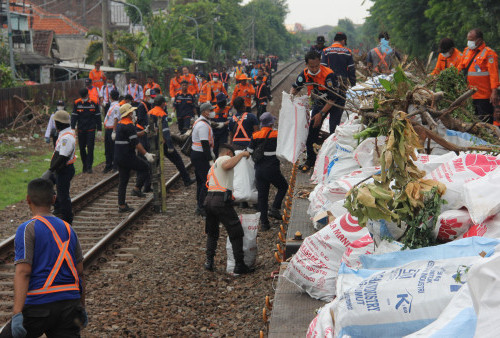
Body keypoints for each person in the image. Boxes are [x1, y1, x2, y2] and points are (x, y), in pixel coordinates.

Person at [0, 178, 87, 338]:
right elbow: (80, 272)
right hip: (70, 305)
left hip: (39, 305)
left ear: (28, 200)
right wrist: (81, 306)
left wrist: (17, 313)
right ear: (54, 199)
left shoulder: (27, 229)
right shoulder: (69, 230)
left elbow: (23, 272)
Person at [203, 144, 255, 274]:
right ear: (227, 153)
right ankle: (239, 264)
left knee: (212, 232)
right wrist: (242, 154)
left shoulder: (212, 168)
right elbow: (227, 165)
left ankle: (209, 262)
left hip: (209, 200)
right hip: (220, 201)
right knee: (236, 231)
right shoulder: (222, 159)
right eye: (231, 156)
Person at [291, 51, 339, 172]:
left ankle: (335, 159)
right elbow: (295, 87)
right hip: (319, 102)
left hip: (335, 102)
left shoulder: (328, 75)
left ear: (320, 63)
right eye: (311, 66)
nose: (314, 69)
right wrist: (291, 97)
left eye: (316, 66)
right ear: (306, 64)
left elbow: (333, 98)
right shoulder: (304, 74)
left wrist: (321, 114)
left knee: (334, 130)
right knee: (312, 131)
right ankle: (310, 161)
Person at [248, 112, 288, 230]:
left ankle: (264, 223)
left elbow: (250, 150)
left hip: (259, 170)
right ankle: (275, 208)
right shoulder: (276, 134)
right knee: (283, 186)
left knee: (262, 196)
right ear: (271, 123)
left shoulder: (255, 135)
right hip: (272, 169)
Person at [114, 104, 155, 212]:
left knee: (123, 181)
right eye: (132, 112)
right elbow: (136, 142)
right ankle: (137, 189)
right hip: (128, 156)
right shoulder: (129, 125)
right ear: (128, 114)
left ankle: (121, 206)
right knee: (146, 167)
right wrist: (146, 154)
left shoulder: (120, 124)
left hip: (119, 156)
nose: (133, 114)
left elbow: (133, 135)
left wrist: (144, 132)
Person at [148, 95, 195, 187]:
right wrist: (170, 146)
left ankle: (146, 185)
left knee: (154, 163)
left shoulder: (150, 112)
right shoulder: (162, 114)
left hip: (153, 142)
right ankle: (187, 180)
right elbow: (165, 131)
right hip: (163, 143)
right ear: (162, 104)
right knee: (178, 160)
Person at [40, 110, 76, 224]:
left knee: (63, 195)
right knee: (49, 185)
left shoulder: (67, 138)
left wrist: (50, 170)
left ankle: (67, 219)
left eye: (55, 122)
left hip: (64, 170)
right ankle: (58, 208)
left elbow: (63, 157)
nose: (54, 124)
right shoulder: (64, 133)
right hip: (60, 169)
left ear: (59, 123)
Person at [457, 28, 499, 123]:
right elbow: (459, 68)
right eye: (468, 39)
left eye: (471, 40)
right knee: (472, 123)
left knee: (485, 124)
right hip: (468, 95)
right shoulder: (466, 51)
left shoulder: (489, 53)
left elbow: (494, 74)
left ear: (479, 40)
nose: (469, 42)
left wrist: (494, 92)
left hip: (483, 96)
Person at [321, 32, 356, 127]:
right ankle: (332, 132)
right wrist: (353, 84)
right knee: (337, 110)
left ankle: (318, 127)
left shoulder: (326, 51)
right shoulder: (347, 52)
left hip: (327, 85)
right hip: (342, 85)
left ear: (333, 40)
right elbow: (351, 70)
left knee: (324, 106)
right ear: (343, 41)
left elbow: (322, 68)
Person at [191, 102, 216, 216]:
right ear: (204, 112)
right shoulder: (202, 125)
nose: (212, 112)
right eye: (210, 110)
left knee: (201, 181)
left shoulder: (202, 122)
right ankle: (201, 207)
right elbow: (205, 143)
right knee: (206, 181)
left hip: (198, 154)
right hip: (201, 155)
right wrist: (209, 159)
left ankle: (199, 203)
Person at [71, 88, 102, 174]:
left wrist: (99, 129)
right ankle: (84, 164)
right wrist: (72, 128)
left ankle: (89, 166)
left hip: (91, 129)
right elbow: (74, 116)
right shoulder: (77, 103)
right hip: (81, 129)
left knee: (90, 147)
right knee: (82, 148)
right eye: (82, 97)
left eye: (85, 97)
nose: (83, 98)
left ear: (88, 95)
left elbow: (98, 117)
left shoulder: (94, 103)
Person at [103, 90, 121, 173]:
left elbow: (116, 119)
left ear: (111, 96)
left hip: (111, 129)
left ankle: (115, 165)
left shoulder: (116, 106)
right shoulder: (112, 105)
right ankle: (108, 164)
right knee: (108, 148)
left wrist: (114, 131)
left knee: (113, 148)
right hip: (108, 129)